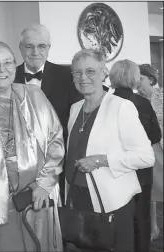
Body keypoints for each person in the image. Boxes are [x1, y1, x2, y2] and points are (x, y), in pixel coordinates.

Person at [0, 41, 64, 251]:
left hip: (38, 196)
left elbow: (56, 140)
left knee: (40, 245)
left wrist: (44, 184)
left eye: (8, 62)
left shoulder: (34, 95)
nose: (2, 69)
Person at [66, 49, 155, 252]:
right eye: (77, 73)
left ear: (104, 72)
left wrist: (102, 160)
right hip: (79, 201)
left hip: (113, 203)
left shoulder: (121, 107)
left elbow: (145, 157)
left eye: (90, 71)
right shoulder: (75, 108)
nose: (83, 77)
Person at [14, 24, 83, 202]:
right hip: (19, 168)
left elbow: (76, 121)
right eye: (29, 46)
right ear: (21, 48)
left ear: (49, 48)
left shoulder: (67, 76)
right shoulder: (9, 77)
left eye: (41, 46)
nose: (35, 51)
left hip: (59, 165)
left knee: (58, 222)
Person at [111, 59, 162, 252]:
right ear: (134, 78)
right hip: (141, 169)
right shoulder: (142, 104)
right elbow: (156, 135)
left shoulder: (105, 102)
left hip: (114, 169)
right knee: (141, 219)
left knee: (115, 218)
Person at [138, 63, 163, 241]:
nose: (138, 82)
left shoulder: (161, 96)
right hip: (148, 147)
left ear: (151, 80)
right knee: (152, 186)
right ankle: (153, 225)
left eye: (141, 78)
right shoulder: (135, 99)